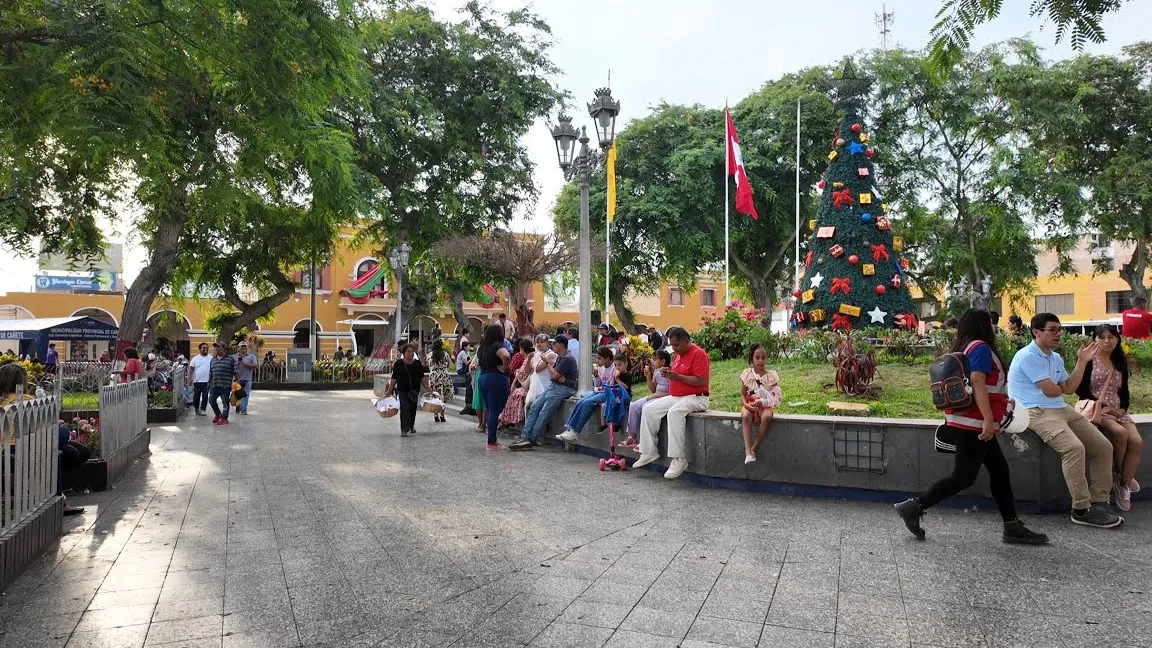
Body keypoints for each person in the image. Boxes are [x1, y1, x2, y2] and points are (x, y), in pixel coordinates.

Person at [895, 310, 1049, 544]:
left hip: (966, 421)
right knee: (963, 477)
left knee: (998, 470)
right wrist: (988, 419)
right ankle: (915, 506)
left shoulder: (966, 347)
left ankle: (1012, 525)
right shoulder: (980, 348)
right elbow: (978, 381)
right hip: (974, 424)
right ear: (983, 325)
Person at [1008, 313, 1122, 528]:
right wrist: (1059, 388)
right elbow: (1052, 391)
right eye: (1052, 330)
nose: (1058, 334)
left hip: (1061, 409)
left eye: (1059, 329)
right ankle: (1081, 509)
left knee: (1103, 447)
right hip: (1035, 411)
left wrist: (1082, 361)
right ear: (1036, 332)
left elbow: (1068, 389)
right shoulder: (1027, 356)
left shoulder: (1055, 358)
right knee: (1074, 449)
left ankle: (1100, 502)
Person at [0, 363, 85, 515]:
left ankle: (59, 496)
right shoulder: (28, 401)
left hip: (9, 448)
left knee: (67, 449)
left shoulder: (4, 401)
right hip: (24, 447)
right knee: (60, 445)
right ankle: (58, 497)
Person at [1076, 324, 1143, 511]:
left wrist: (1122, 409)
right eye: (1102, 337)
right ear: (1095, 340)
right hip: (1098, 409)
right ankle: (1124, 476)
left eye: (1111, 337)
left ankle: (1123, 485)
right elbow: (1080, 390)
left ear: (1117, 339)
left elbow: (1124, 391)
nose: (1107, 341)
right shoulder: (1090, 360)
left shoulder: (1119, 360)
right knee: (1120, 433)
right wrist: (1104, 406)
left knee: (1136, 441)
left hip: (1117, 410)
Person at [633, 327, 710, 480]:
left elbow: (702, 380)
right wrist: (668, 373)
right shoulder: (678, 356)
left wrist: (678, 377)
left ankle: (679, 459)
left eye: (676, 345)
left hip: (697, 397)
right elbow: (677, 375)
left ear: (686, 341)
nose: (673, 349)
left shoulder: (699, 354)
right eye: (672, 345)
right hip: (677, 396)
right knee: (648, 408)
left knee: (675, 412)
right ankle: (649, 451)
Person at [510, 335, 578, 451]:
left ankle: (531, 439)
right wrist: (555, 374)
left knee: (544, 412)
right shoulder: (561, 357)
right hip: (554, 386)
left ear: (560, 345)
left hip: (562, 388)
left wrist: (548, 364)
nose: (553, 346)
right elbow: (553, 375)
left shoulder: (567, 358)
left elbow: (553, 374)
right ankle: (525, 437)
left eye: (554, 343)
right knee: (534, 406)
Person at [556, 347, 618, 443]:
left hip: (609, 393)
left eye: (600, 358)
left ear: (608, 359)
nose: (597, 361)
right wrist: (596, 376)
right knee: (580, 401)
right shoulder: (600, 368)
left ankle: (575, 431)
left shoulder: (614, 368)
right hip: (599, 391)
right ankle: (570, 429)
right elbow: (598, 385)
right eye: (596, 358)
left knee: (588, 402)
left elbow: (611, 385)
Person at [740, 343, 782, 465]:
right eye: (757, 357)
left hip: (765, 405)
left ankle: (755, 446)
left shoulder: (771, 376)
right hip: (750, 403)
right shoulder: (747, 374)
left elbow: (776, 395)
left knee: (767, 416)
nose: (760, 360)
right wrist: (746, 405)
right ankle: (748, 451)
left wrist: (763, 403)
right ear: (752, 358)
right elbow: (742, 394)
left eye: (763, 357)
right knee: (746, 415)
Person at [622, 350, 671, 449]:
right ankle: (632, 435)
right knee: (634, 405)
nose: (652, 361)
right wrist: (648, 377)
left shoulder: (669, 373)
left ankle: (645, 442)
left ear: (663, 361)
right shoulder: (657, 371)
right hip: (655, 396)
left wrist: (655, 396)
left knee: (645, 407)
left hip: (664, 398)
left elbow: (672, 392)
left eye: (655, 359)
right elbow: (653, 389)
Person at [476, 324, 512, 451]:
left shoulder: (482, 348)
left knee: (490, 409)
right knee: (494, 412)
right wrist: (505, 367)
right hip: (496, 379)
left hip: (483, 378)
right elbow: (506, 356)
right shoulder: (497, 346)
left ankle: (492, 440)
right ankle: (491, 442)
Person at [383, 343, 432, 437]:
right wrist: (389, 391)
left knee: (413, 408)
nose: (411, 353)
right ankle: (404, 429)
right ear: (404, 353)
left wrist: (428, 388)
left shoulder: (417, 363)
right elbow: (394, 378)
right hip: (402, 389)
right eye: (408, 351)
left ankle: (411, 426)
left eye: (412, 351)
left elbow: (422, 377)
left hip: (414, 390)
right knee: (404, 408)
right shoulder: (399, 363)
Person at [499, 338, 536, 430]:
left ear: (522, 348)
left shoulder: (529, 358)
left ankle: (508, 420)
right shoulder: (524, 358)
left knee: (515, 395)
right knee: (511, 394)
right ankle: (506, 419)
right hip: (520, 382)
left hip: (525, 384)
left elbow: (521, 372)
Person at [207, 342, 238, 425]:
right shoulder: (213, 359)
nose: (216, 349)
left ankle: (224, 418)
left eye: (218, 347)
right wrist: (208, 382)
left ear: (224, 349)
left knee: (225, 402)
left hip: (225, 385)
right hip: (214, 384)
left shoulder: (230, 359)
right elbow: (211, 372)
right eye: (215, 347)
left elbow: (235, 371)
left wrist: (238, 382)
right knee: (211, 400)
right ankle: (218, 415)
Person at [525, 334, 557, 410]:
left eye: (542, 342)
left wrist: (534, 360)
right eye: (537, 342)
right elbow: (528, 371)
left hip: (544, 387)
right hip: (535, 387)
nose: (539, 344)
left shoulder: (550, 355)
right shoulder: (537, 354)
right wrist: (529, 359)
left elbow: (537, 369)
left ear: (548, 344)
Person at [426, 340, 454, 420]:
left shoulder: (429, 355)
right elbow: (448, 365)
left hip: (434, 377)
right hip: (444, 376)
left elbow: (428, 365)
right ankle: (442, 414)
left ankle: (435, 414)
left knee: (435, 396)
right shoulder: (445, 355)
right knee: (444, 396)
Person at [187, 343, 212, 416]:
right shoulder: (195, 358)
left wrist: (212, 380)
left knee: (205, 396)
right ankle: (197, 408)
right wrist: (189, 379)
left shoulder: (211, 358)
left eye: (206, 348)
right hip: (197, 381)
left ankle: (203, 409)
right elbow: (191, 369)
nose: (205, 349)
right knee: (196, 397)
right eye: (203, 348)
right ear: (200, 349)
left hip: (207, 381)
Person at [233, 342, 257, 415]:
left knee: (246, 394)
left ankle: (243, 409)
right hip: (236, 379)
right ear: (238, 348)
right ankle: (238, 407)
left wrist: (245, 364)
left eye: (245, 347)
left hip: (247, 379)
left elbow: (255, 365)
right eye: (242, 347)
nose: (243, 349)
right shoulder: (234, 357)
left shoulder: (251, 356)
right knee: (237, 395)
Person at [457, 342, 475, 416]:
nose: (469, 347)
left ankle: (469, 405)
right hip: (461, 370)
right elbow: (467, 363)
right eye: (468, 346)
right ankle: (469, 405)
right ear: (465, 347)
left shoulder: (465, 352)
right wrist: (472, 359)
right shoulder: (463, 353)